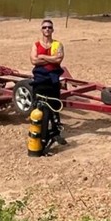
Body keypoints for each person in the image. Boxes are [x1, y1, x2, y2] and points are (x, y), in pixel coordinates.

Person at [30, 19, 66, 149]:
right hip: (40, 80)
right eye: (44, 27)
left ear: (53, 30)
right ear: (41, 30)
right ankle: (41, 135)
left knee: (55, 107)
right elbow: (33, 60)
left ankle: (56, 132)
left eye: (49, 27)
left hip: (53, 80)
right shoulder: (35, 45)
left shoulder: (58, 44)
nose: (47, 29)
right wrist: (51, 60)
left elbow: (58, 59)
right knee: (39, 109)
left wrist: (42, 57)